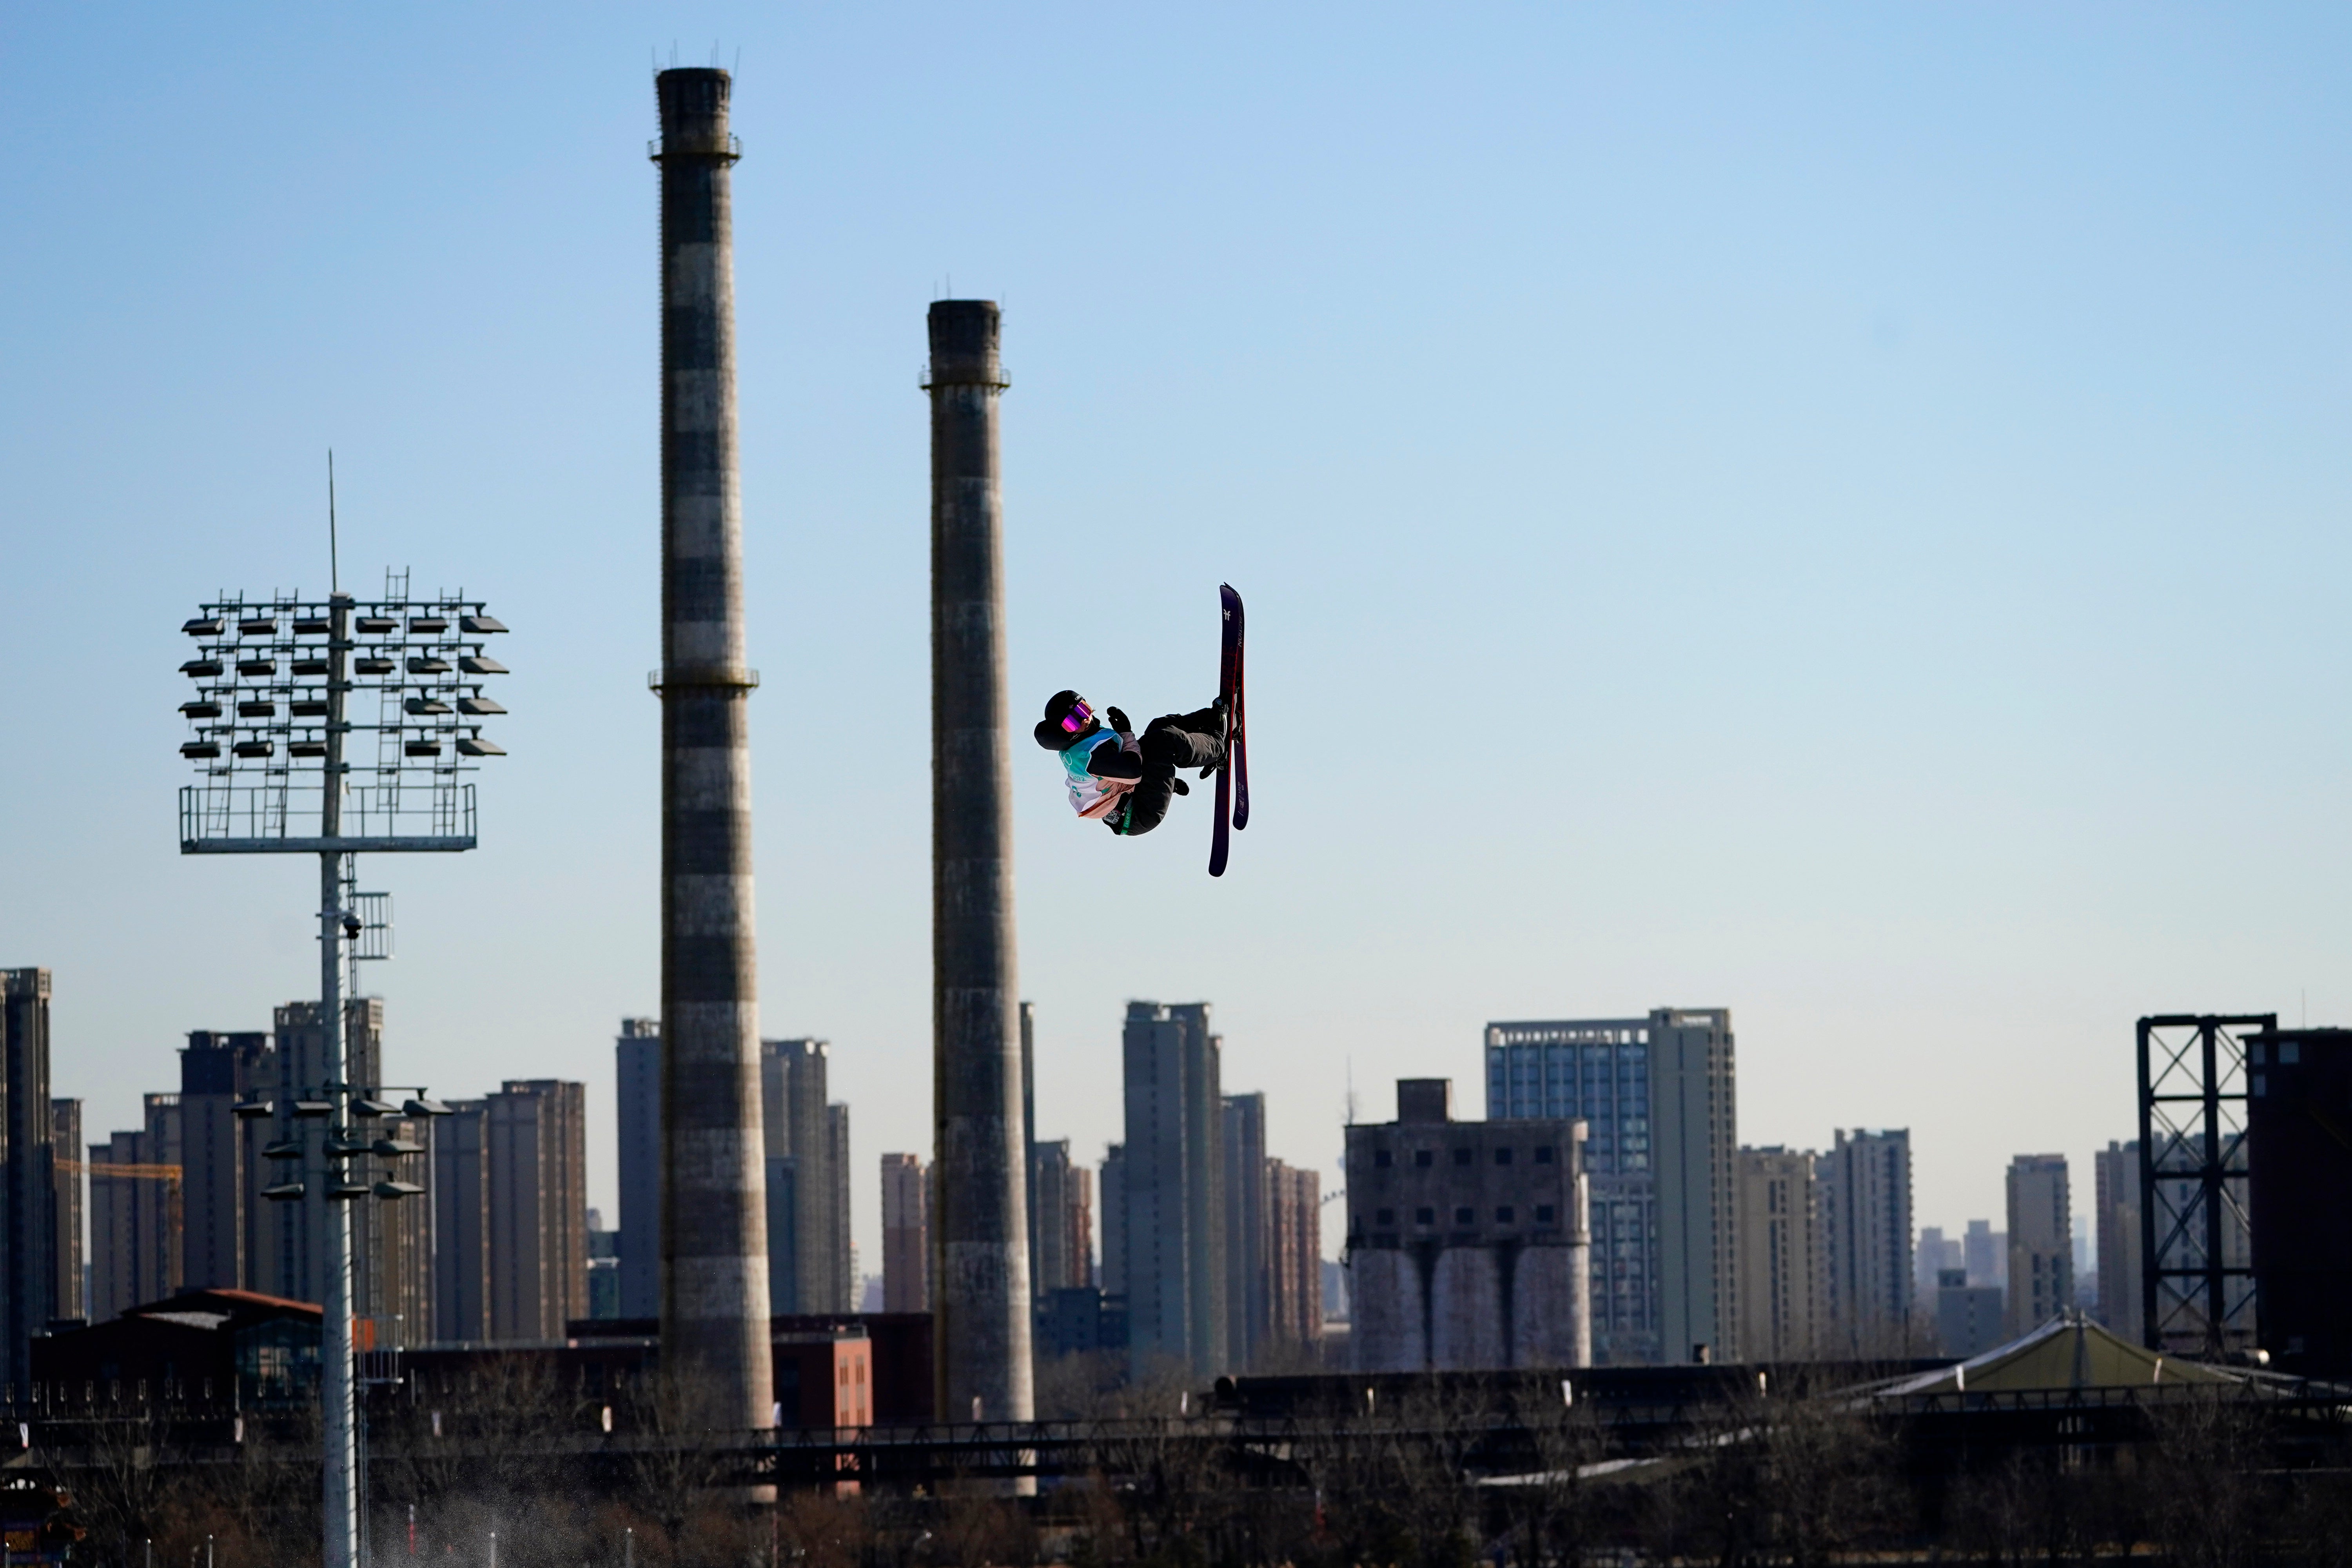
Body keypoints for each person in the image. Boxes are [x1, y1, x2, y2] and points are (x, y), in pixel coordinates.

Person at [1033, 689, 1227, 836]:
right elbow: (1134, 772)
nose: (1084, 720)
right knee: (1163, 740)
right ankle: (1219, 746)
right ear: (1063, 731)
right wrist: (1126, 733)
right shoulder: (1089, 755)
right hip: (1136, 814)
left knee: (1158, 728)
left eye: (1083, 710)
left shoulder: (1082, 741)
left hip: (1129, 797)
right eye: (1072, 723)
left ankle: (1213, 719)